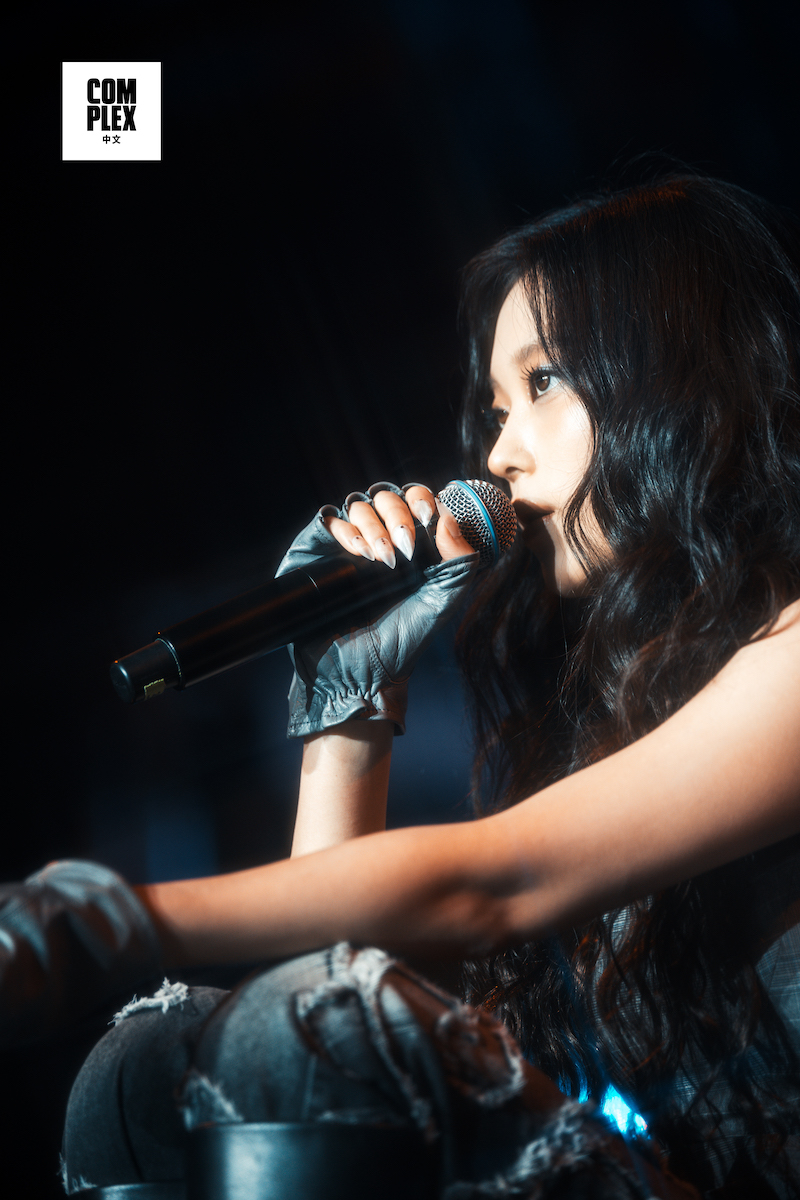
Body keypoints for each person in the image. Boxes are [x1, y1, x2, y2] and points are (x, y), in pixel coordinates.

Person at [59, 175, 800, 1198]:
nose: (499, 453)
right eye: (495, 408)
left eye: (544, 382)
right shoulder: (611, 715)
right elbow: (323, 996)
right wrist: (348, 703)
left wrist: (98, 921)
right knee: (141, 1075)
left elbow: (495, 882)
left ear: (686, 373)